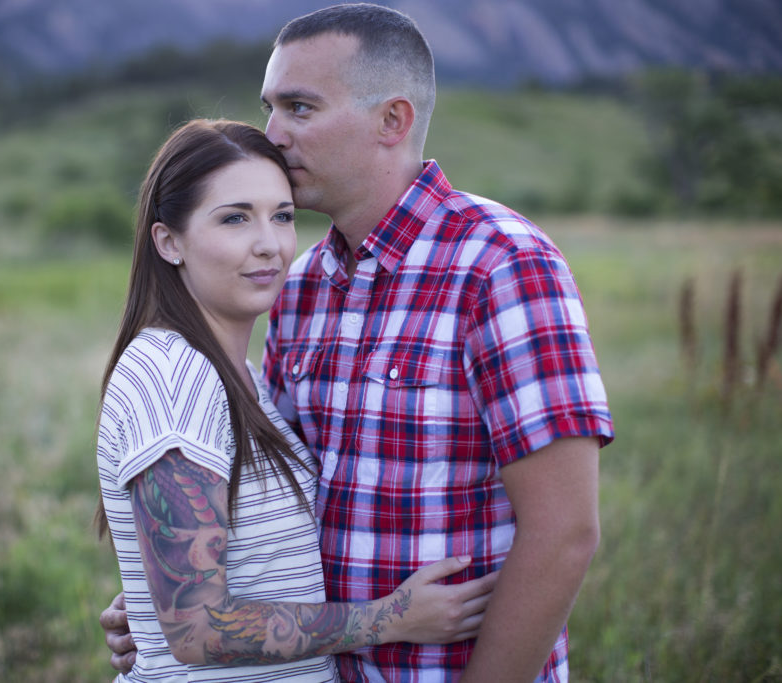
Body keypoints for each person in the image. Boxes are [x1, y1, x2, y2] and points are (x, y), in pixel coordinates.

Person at [102, 4, 614, 681]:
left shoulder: (500, 264)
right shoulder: (299, 287)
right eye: (270, 107)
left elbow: (564, 532)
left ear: (391, 120)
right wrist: (169, 587)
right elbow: (268, 498)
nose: (273, 134)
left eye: (300, 108)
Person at [94, 118, 497, 682]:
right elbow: (196, 628)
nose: (270, 245)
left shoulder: (238, 375)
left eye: (281, 216)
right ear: (169, 241)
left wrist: (149, 596)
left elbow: (209, 581)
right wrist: (388, 619)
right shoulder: (172, 375)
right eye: (235, 217)